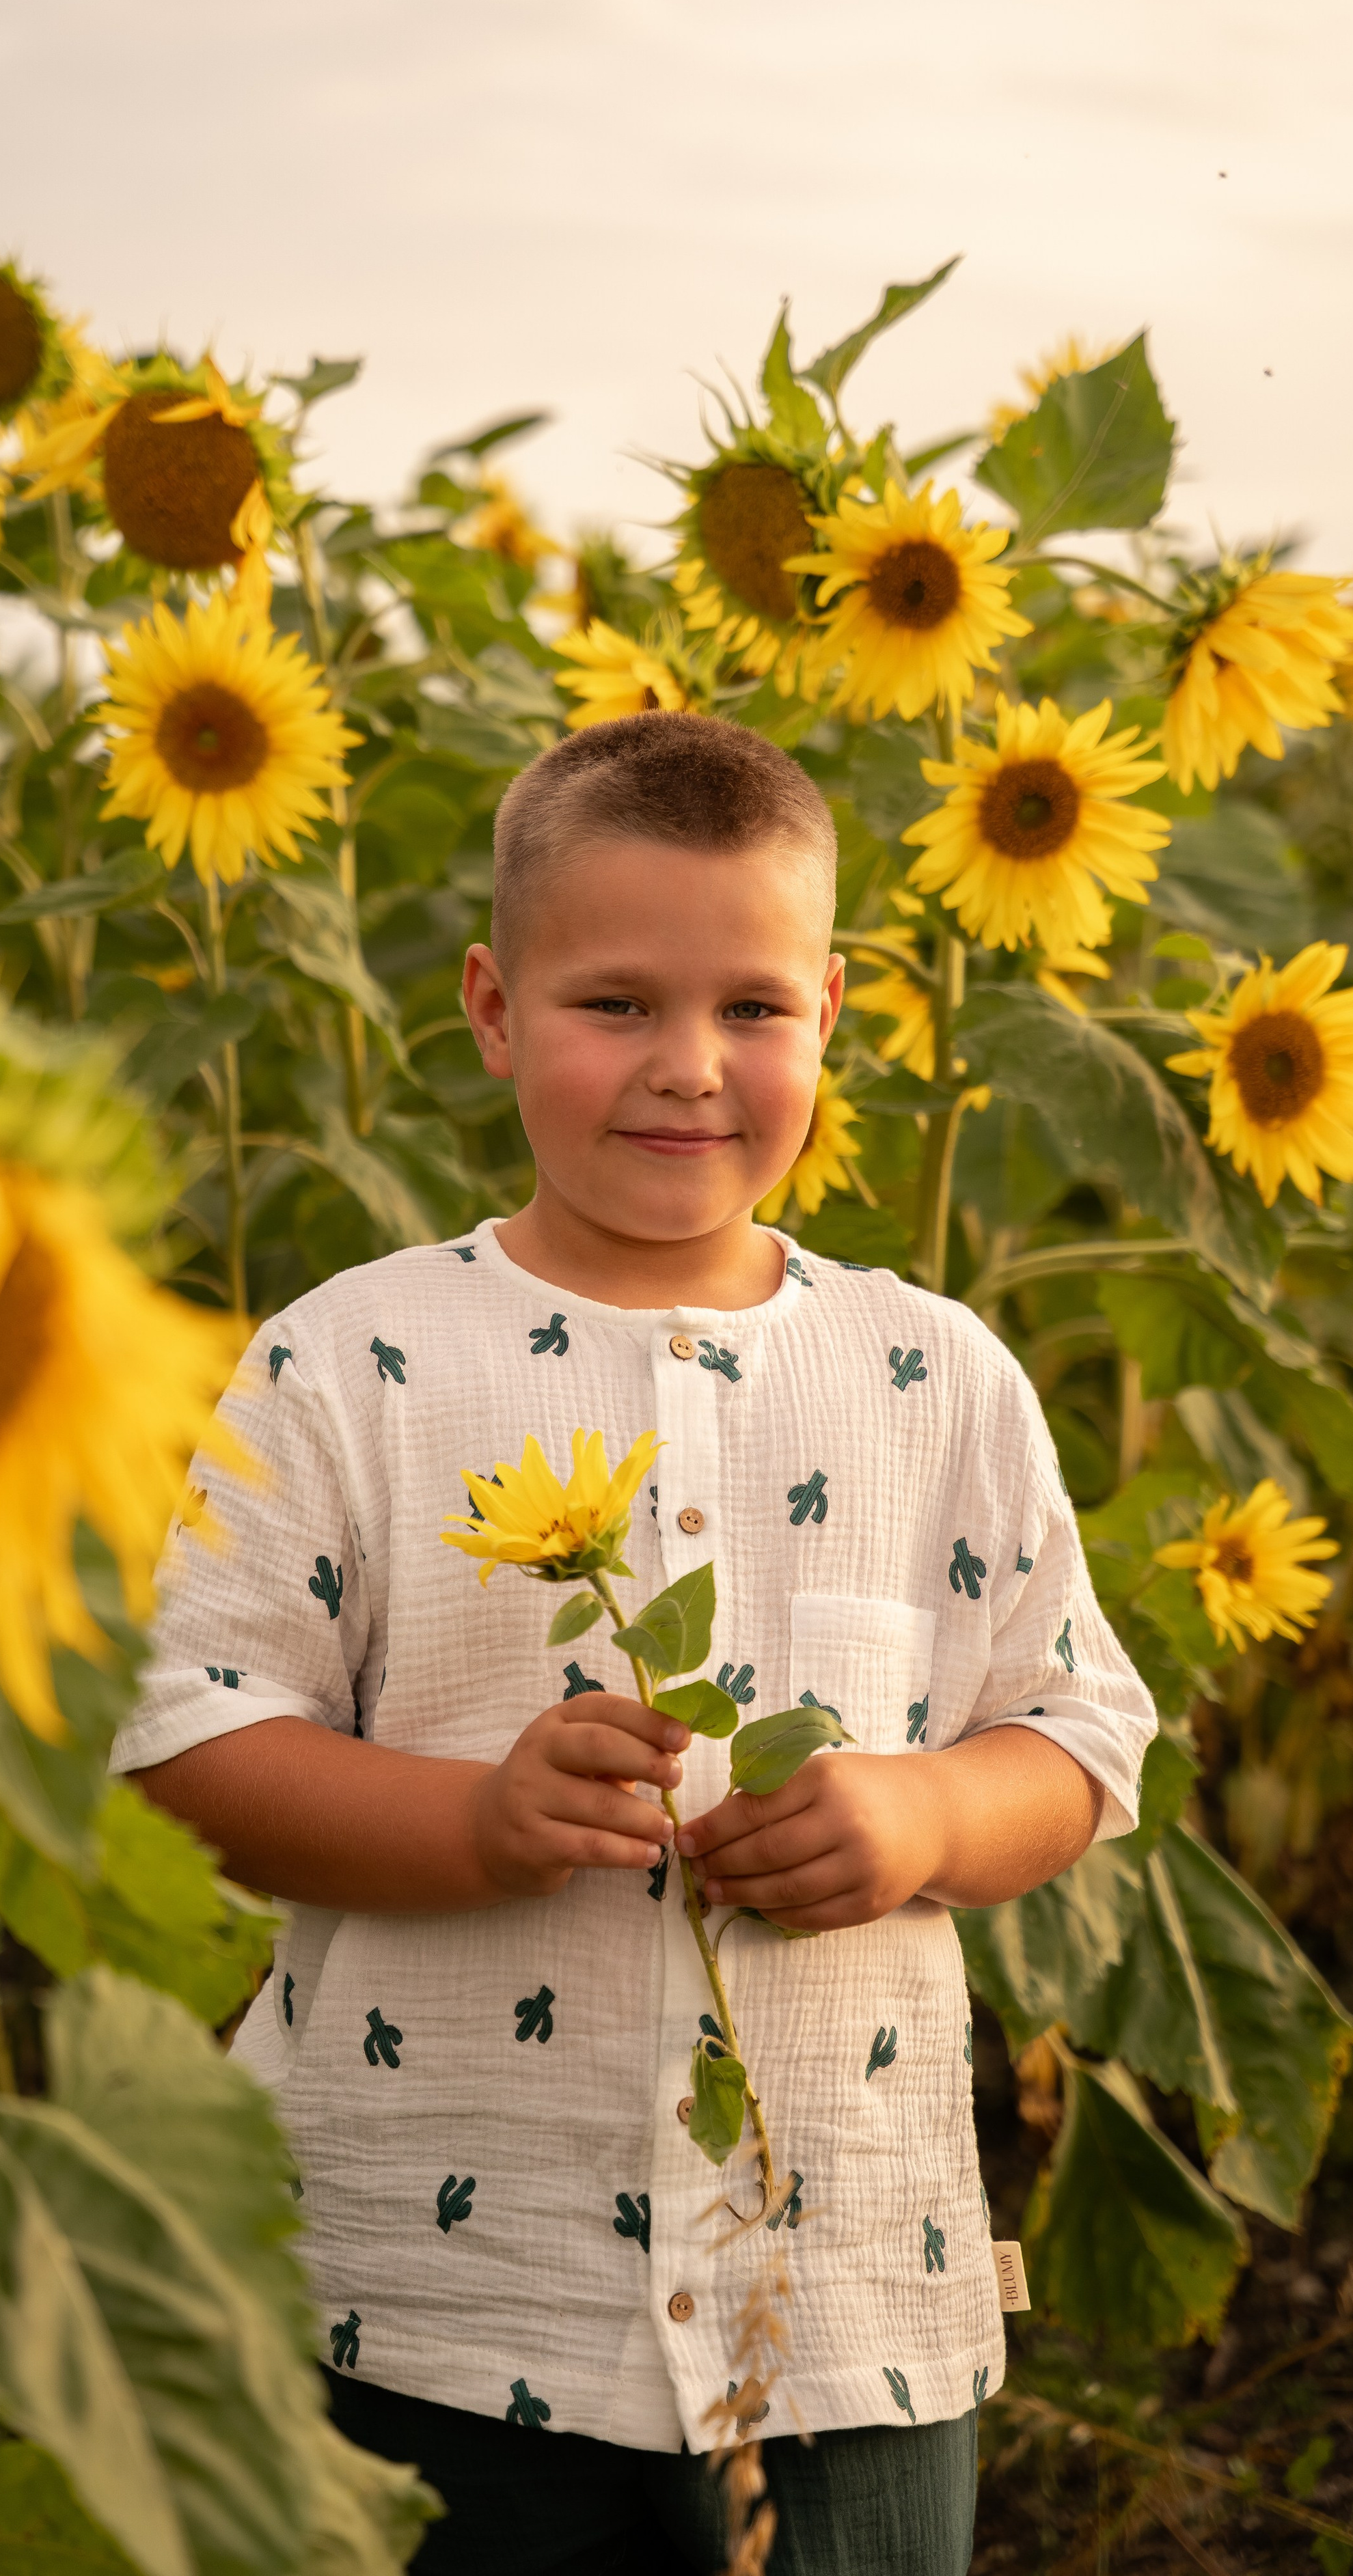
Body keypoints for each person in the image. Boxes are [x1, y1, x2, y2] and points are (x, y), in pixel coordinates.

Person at [118, 710, 1156, 2576]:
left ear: (834, 1010)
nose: (690, 1070)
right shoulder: (351, 1365)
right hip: (433, 2301)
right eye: (615, 1006)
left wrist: (920, 1819)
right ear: (493, 1009)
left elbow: (1076, 1739)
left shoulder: (931, 1376)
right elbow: (197, 1740)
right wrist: (473, 1830)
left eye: (755, 1008)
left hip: (837, 2306)